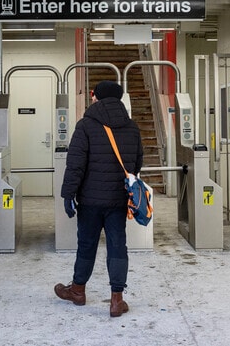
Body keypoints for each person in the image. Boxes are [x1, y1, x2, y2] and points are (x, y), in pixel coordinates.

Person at [54, 80, 143, 317]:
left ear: (97, 98)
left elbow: (75, 164)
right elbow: (136, 164)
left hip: (90, 201)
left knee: (86, 244)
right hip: (118, 199)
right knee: (117, 246)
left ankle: (78, 290)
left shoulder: (85, 125)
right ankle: (116, 300)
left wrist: (68, 194)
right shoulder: (132, 127)